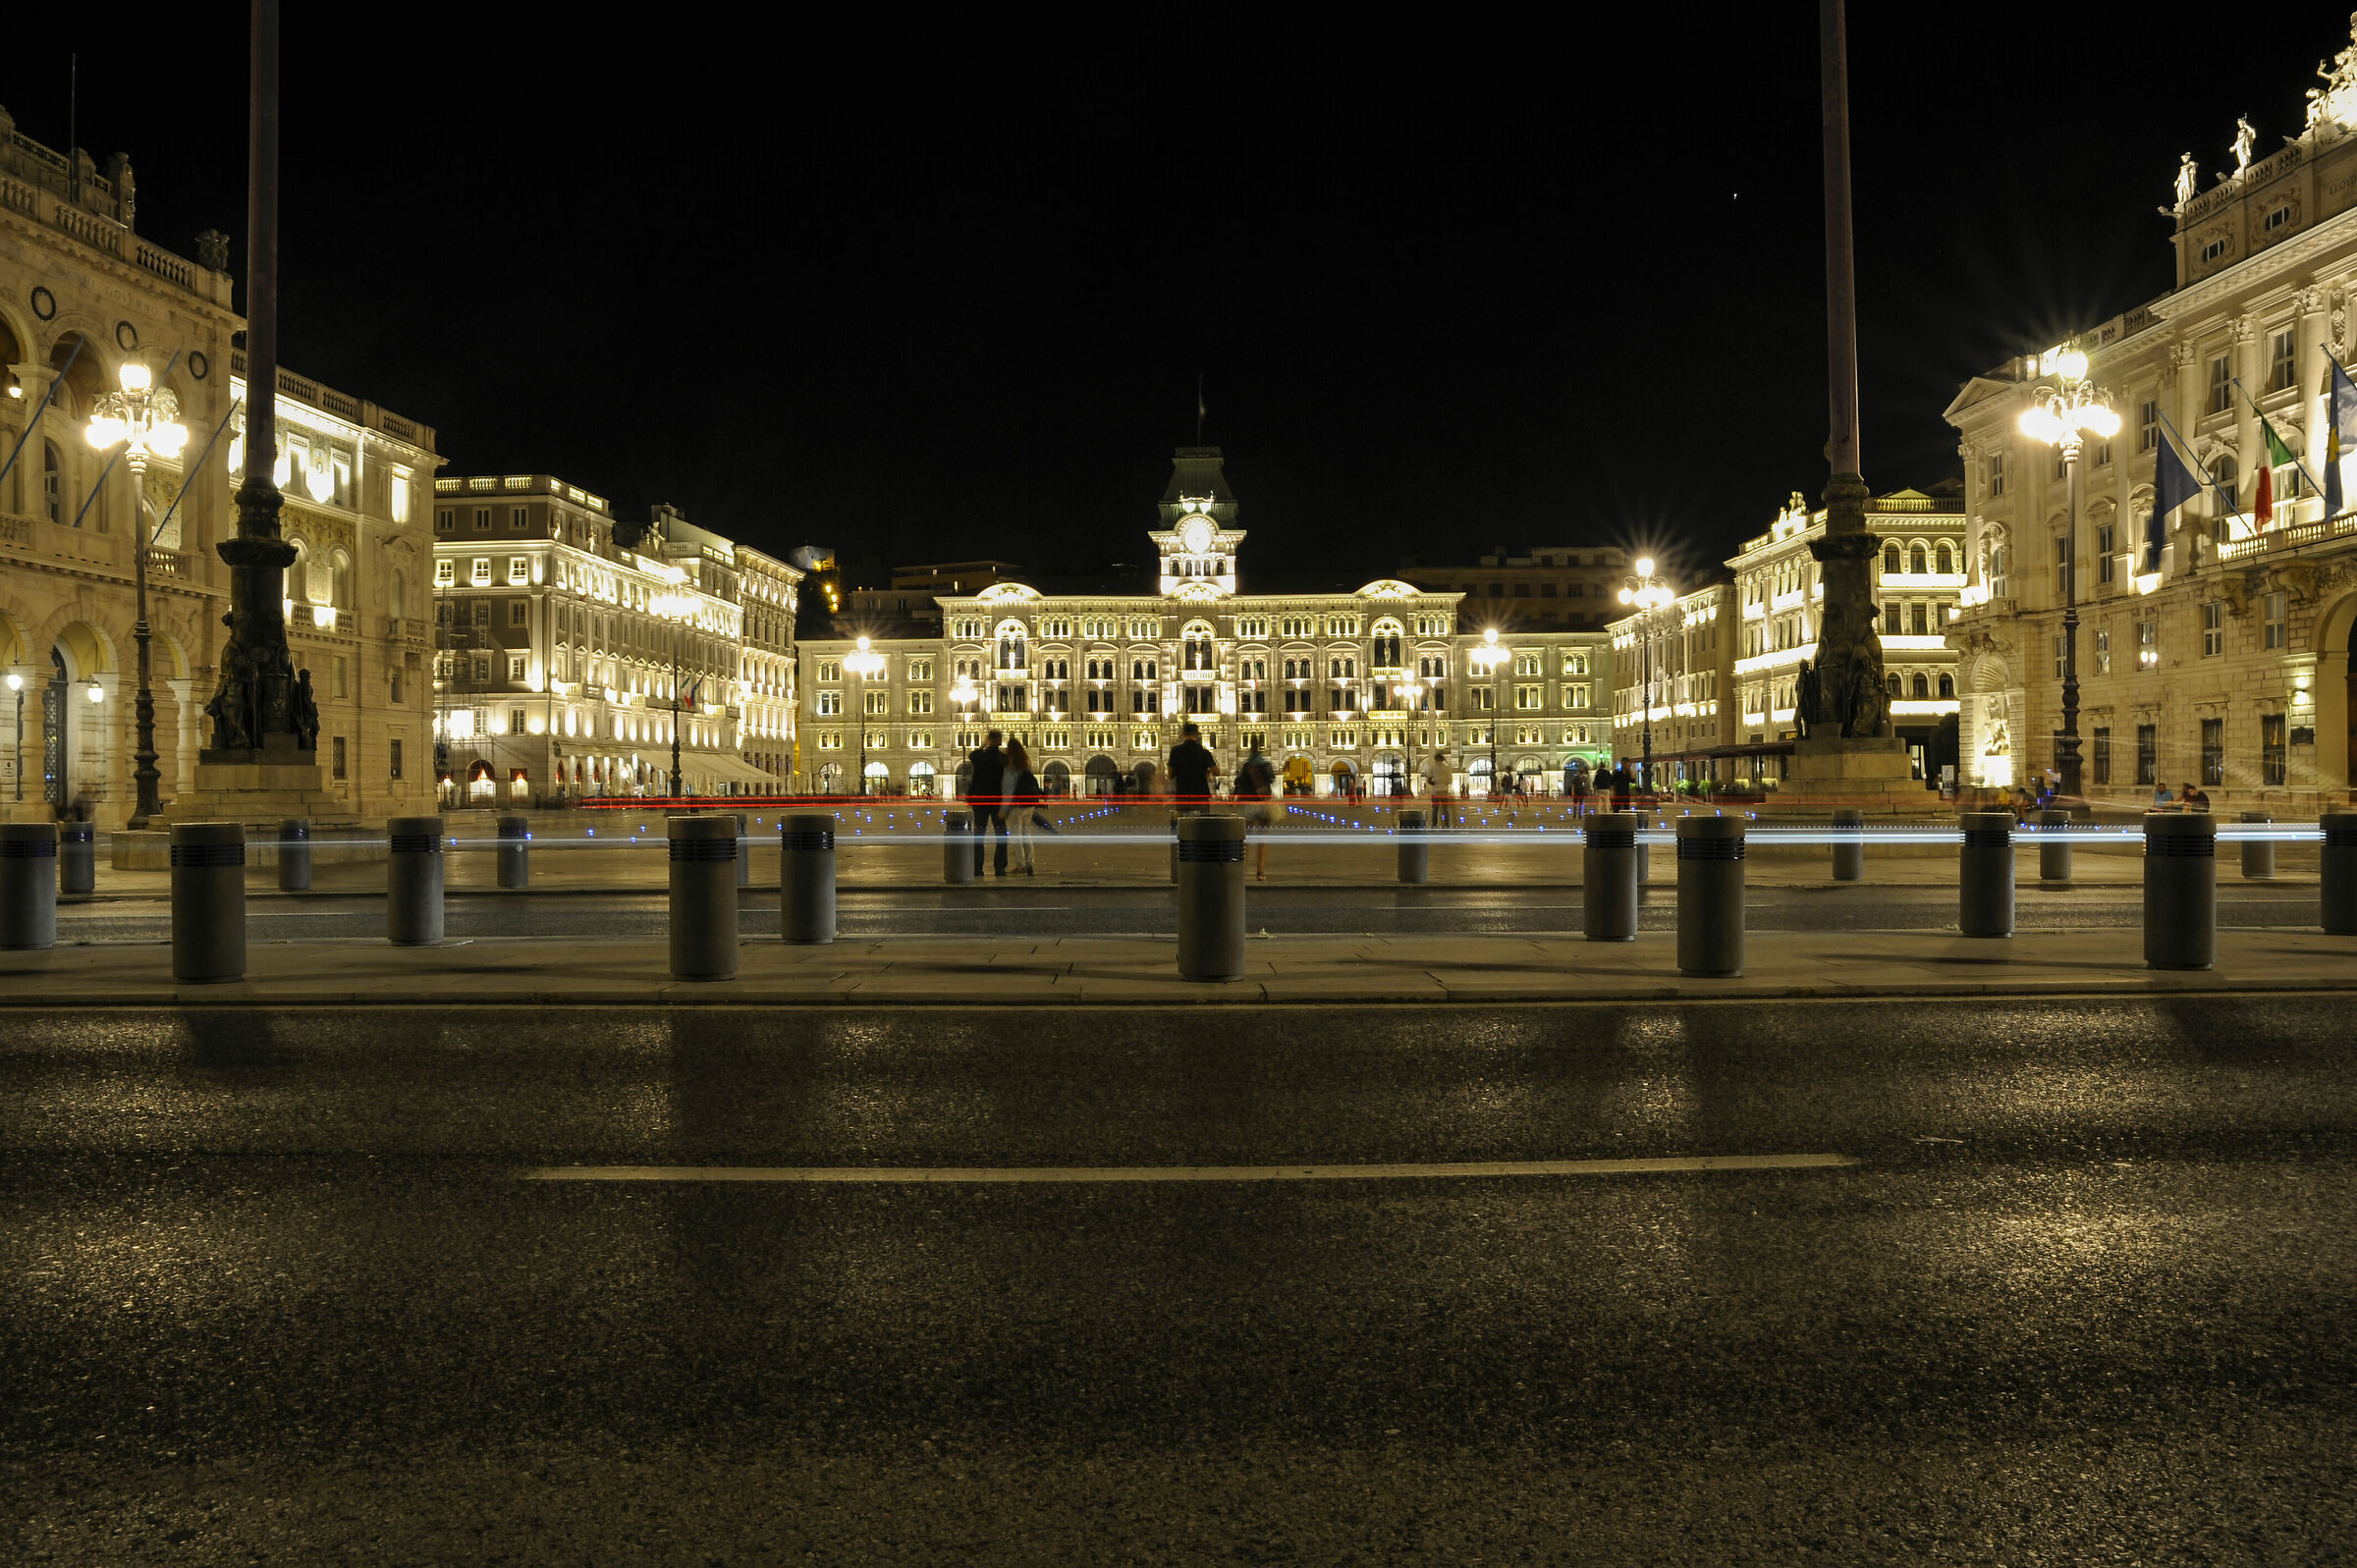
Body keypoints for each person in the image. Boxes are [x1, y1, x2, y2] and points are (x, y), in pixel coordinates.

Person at [966, 729, 1009, 876]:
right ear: (1000, 741)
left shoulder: (980, 756)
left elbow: (971, 755)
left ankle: (977, 867)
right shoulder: (1003, 758)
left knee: (979, 834)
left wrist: (983, 745)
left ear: (988, 740)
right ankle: (1000, 867)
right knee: (1001, 834)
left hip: (980, 800)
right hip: (996, 800)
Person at [1233, 739, 1277, 881]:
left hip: (1248, 805)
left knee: (1245, 841)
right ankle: (1260, 873)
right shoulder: (1266, 764)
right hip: (1263, 804)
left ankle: (1242, 872)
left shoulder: (1246, 766)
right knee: (1262, 840)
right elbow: (1272, 778)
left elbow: (1240, 783)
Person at [1004, 739, 1040, 876]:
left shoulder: (1011, 766)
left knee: (1016, 837)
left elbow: (1007, 788)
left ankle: (1020, 865)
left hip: (1016, 806)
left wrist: (1003, 809)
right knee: (1026, 834)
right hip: (1029, 805)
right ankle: (1030, 863)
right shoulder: (1026, 763)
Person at [1168, 723, 1216, 816]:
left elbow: (1170, 775)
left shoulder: (1175, 751)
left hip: (1183, 794)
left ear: (1183, 734)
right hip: (1200, 795)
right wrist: (1207, 771)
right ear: (1197, 735)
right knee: (1202, 823)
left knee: (1182, 824)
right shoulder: (1204, 752)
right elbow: (1217, 771)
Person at [1427, 747, 1457, 828]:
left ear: (1435, 759)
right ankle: (1447, 824)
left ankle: (1434, 824)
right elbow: (1450, 780)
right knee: (1445, 810)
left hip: (1435, 792)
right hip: (1444, 791)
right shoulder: (1447, 768)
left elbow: (1429, 780)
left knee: (1435, 809)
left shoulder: (1433, 767)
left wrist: (1435, 783)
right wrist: (1444, 782)